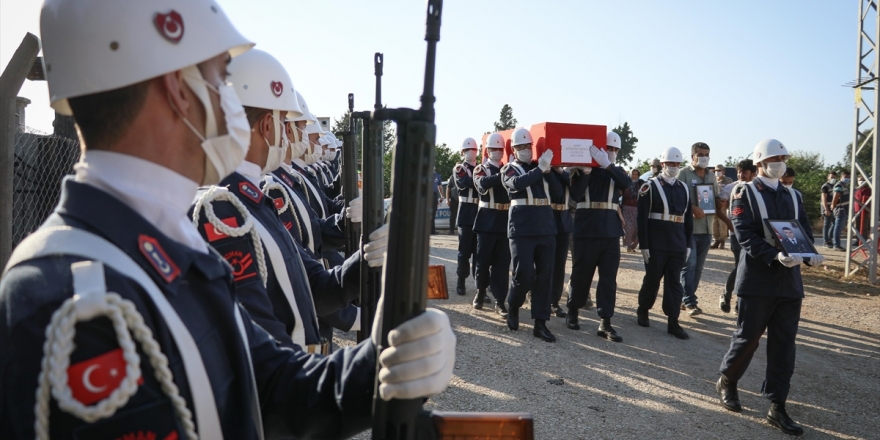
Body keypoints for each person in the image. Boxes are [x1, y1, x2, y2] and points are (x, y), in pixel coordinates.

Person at [0, 2, 456, 438]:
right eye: (221, 75)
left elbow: (269, 387)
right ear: (179, 87)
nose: (231, 101)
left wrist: (380, 366)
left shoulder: (169, 242)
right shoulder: (69, 298)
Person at [717, 139, 822, 437]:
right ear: (761, 162)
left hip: (789, 283)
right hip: (758, 278)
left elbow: (801, 231)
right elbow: (745, 235)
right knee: (748, 338)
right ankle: (728, 380)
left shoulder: (794, 195)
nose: (781, 162)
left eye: (783, 157)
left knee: (784, 344)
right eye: (775, 158)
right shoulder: (744, 192)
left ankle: (777, 404)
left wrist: (809, 254)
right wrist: (774, 255)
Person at [566, 132, 630, 342]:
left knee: (608, 278)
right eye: (608, 149)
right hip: (587, 226)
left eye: (614, 150)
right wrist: (584, 173)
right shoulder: (584, 169)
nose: (610, 153)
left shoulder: (616, 171)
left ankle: (605, 321)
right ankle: (573, 310)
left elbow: (627, 185)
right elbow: (575, 196)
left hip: (610, 229)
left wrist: (607, 165)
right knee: (581, 273)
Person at [501, 128, 562, 342]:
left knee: (545, 275)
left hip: (545, 226)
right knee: (524, 273)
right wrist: (540, 170)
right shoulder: (509, 168)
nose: (525, 150)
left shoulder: (541, 167)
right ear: (514, 149)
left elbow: (559, 194)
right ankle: (514, 305)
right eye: (520, 147)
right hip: (522, 227)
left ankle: (540, 322)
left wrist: (551, 172)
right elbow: (516, 185)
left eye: (528, 146)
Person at [636, 147, 693, 340]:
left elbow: (688, 219)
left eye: (677, 164)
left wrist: (688, 244)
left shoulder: (683, 188)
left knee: (674, 282)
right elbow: (641, 218)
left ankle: (673, 321)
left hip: (677, 242)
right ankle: (643, 309)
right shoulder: (649, 187)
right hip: (656, 242)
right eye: (670, 164)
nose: (674, 167)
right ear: (662, 164)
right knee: (652, 279)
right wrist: (643, 244)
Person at [472, 133, 512, 315]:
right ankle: (480, 292)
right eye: (493, 149)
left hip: (504, 219)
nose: (497, 152)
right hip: (487, 219)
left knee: (502, 264)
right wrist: (504, 173)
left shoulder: (508, 169)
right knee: (483, 261)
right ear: (487, 151)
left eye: (499, 149)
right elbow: (483, 184)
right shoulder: (481, 168)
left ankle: (500, 300)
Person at [677, 141, 718, 316]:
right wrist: (692, 208)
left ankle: (684, 298)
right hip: (688, 229)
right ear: (692, 156)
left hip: (707, 228)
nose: (704, 158)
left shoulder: (712, 176)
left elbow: (714, 197)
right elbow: (676, 197)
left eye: (706, 154)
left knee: (699, 267)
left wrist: (720, 202)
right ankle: (690, 302)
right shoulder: (683, 174)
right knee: (689, 264)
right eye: (700, 154)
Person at [717, 159, 756, 313]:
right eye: (739, 171)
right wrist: (728, 223)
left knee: (751, 269)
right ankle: (728, 296)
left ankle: (741, 301)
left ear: (753, 173)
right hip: (737, 234)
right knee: (741, 266)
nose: (741, 175)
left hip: (754, 234)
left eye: (745, 172)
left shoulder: (758, 188)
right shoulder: (731, 187)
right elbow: (718, 207)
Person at [454, 139, 480, 295]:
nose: (471, 152)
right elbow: (465, 182)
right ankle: (461, 281)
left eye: (474, 149)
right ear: (462, 152)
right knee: (464, 252)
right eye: (468, 149)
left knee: (480, 253)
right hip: (466, 213)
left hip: (480, 212)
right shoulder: (459, 168)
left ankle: (480, 286)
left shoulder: (481, 167)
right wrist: (484, 180)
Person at [711, 164, 734, 249]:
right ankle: (716, 240)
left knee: (723, 223)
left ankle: (723, 241)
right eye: (716, 171)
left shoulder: (728, 180)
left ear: (723, 171)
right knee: (714, 223)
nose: (718, 172)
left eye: (719, 171)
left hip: (723, 205)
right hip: (713, 204)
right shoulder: (713, 179)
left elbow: (731, 192)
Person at [622, 169, 643, 253]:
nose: (634, 176)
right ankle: (629, 246)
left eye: (636, 174)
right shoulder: (625, 183)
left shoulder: (640, 184)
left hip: (637, 209)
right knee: (628, 228)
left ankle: (633, 245)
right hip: (626, 208)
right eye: (633, 174)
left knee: (636, 228)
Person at [831, 170, 852, 251]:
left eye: (848, 177)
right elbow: (836, 196)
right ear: (841, 177)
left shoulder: (844, 185)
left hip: (844, 209)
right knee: (838, 228)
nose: (847, 179)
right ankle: (836, 245)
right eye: (845, 177)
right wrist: (833, 205)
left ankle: (836, 244)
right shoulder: (839, 185)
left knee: (840, 227)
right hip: (840, 209)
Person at [820, 171, 838, 248]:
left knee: (835, 224)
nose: (833, 179)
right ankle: (826, 241)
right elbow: (824, 198)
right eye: (831, 177)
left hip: (834, 208)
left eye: (834, 177)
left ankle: (829, 239)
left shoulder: (836, 186)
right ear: (828, 177)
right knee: (827, 225)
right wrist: (826, 209)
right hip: (827, 207)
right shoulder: (825, 186)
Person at [432, 167, 443, 234]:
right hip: (425, 195)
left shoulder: (437, 175)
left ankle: (432, 230)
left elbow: (440, 186)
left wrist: (442, 195)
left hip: (434, 195)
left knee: (433, 213)